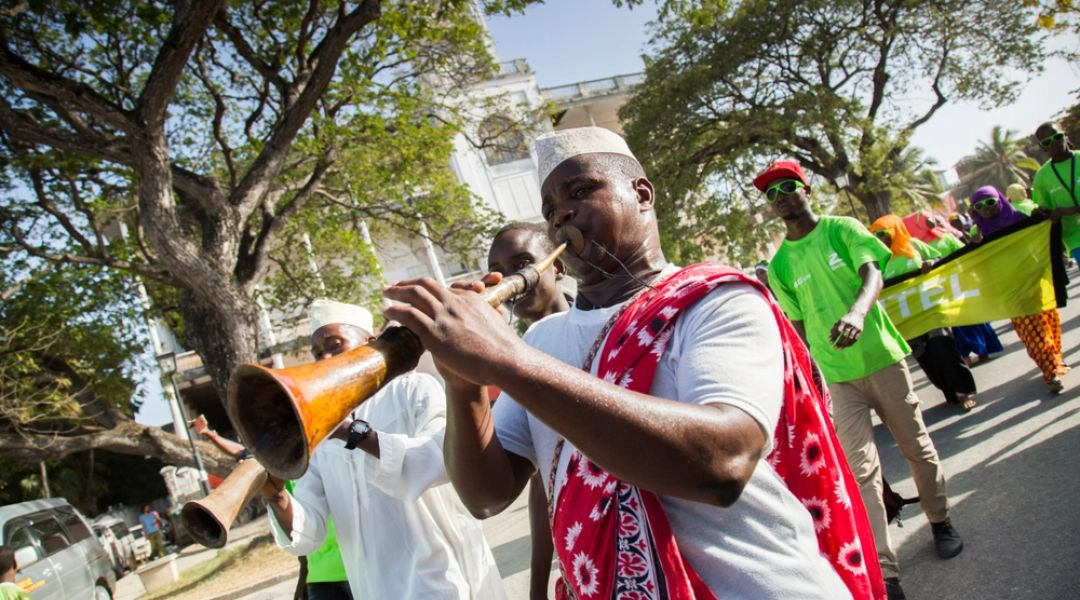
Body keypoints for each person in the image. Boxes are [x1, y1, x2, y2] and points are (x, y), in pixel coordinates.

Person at [385, 127, 883, 600]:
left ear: (642, 194)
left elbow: (725, 463)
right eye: (550, 209)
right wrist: (464, 385)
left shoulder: (717, 299)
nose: (560, 216)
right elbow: (486, 497)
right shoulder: (541, 341)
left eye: (580, 191)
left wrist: (505, 359)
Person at [759, 160, 964, 600]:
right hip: (838, 380)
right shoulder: (780, 266)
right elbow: (798, 329)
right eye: (771, 194)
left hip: (882, 359)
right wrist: (808, 380)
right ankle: (886, 572)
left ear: (806, 189)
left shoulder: (842, 229)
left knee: (917, 448)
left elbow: (872, 273)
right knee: (861, 474)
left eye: (787, 187)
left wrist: (856, 312)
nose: (780, 198)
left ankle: (940, 520)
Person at [262, 299, 505, 599]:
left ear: (370, 343)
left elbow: (442, 458)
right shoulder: (322, 430)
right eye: (317, 352)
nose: (324, 357)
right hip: (374, 589)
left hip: (440, 579)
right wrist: (277, 497)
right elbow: (309, 533)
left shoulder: (413, 389)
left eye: (335, 345)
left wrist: (352, 433)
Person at [487, 222, 570, 600]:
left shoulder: (592, 328)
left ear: (559, 267)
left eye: (522, 263)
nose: (511, 279)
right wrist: (538, 587)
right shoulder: (521, 354)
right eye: (498, 271)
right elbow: (542, 481)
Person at [190, 415, 348, 600]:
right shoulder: (276, 466)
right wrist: (209, 434)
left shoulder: (324, 451)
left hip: (353, 566)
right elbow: (240, 453)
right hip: (320, 574)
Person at [869, 214, 980, 412]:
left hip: (930, 309)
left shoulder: (914, 246)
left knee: (943, 347)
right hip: (905, 317)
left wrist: (931, 263)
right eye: (874, 235)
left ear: (895, 231)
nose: (879, 239)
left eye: (882, 233)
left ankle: (963, 392)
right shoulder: (876, 257)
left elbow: (940, 259)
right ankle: (949, 392)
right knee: (926, 358)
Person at [970, 185, 1070, 393]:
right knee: (1031, 333)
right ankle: (1050, 372)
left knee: (1048, 323)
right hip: (1008, 289)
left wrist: (1041, 218)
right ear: (974, 210)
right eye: (979, 206)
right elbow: (975, 264)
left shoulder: (1019, 218)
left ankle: (1054, 358)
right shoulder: (976, 233)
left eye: (990, 202)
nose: (986, 208)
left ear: (1000, 200)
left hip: (1033, 279)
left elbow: (1041, 235)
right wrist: (974, 244)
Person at [1032, 122, 1080, 264]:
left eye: (1057, 137)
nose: (1054, 143)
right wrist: (1040, 213)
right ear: (1042, 147)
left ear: (1065, 135)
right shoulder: (1041, 176)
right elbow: (1046, 208)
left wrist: (1068, 210)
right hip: (1075, 239)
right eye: (1047, 142)